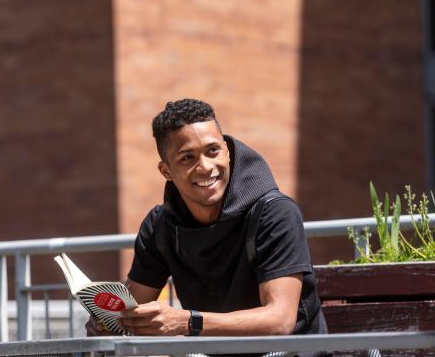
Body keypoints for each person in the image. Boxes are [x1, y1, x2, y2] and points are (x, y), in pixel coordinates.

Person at [86, 98, 327, 346]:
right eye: (187, 158)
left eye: (213, 150)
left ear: (227, 151)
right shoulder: (160, 225)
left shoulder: (275, 213)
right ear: (166, 171)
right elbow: (132, 308)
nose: (205, 167)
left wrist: (188, 322)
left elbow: (279, 321)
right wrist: (109, 321)